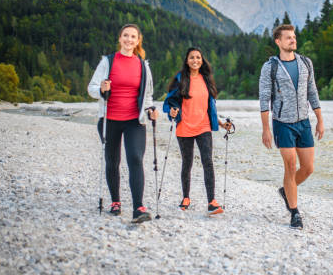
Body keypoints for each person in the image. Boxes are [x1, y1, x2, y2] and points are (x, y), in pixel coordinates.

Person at [88, 23, 157, 224]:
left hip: (135, 120)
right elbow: (91, 88)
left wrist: (151, 110)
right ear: (120, 39)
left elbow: (148, 95)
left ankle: (138, 207)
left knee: (135, 158)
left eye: (133, 36)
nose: (129, 40)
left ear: (138, 41)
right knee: (112, 161)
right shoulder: (107, 62)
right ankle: (116, 202)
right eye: (125, 36)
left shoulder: (143, 65)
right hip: (109, 119)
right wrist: (101, 88)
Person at [259, 24, 324, 229]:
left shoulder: (306, 63)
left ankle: (286, 190)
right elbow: (264, 100)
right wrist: (266, 129)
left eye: (294, 37)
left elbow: (312, 92)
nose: (293, 40)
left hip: (304, 122)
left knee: (308, 168)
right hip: (282, 124)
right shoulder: (271, 67)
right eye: (288, 38)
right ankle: (295, 213)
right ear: (278, 41)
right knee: (290, 165)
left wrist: (320, 119)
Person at [163, 47, 231, 216]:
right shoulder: (180, 79)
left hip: (203, 127)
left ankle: (212, 202)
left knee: (208, 161)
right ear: (187, 61)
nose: (195, 60)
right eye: (192, 57)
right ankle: (186, 198)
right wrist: (172, 111)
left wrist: (222, 124)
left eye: (198, 57)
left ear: (202, 60)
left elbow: (211, 106)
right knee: (187, 163)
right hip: (184, 126)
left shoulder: (206, 79)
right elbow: (170, 101)